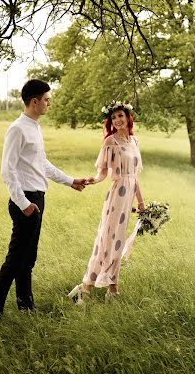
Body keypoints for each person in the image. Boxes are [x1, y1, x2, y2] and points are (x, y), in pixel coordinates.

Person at [0, 79, 88, 320]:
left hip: (37, 199)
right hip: (26, 201)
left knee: (28, 259)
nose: (48, 104)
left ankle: (26, 308)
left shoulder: (35, 126)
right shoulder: (17, 129)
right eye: (46, 100)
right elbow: (7, 170)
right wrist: (23, 204)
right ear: (34, 102)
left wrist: (71, 180)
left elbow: (42, 164)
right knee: (14, 260)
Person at [68, 100, 145, 303]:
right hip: (116, 196)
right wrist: (93, 180)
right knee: (106, 241)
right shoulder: (110, 142)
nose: (117, 120)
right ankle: (86, 288)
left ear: (128, 117)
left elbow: (134, 176)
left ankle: (111, 290)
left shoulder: (134, 142)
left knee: (117, 244)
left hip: (129, 197)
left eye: (120, 115)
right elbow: (103, 173)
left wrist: (142, 202)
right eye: (113, 117)